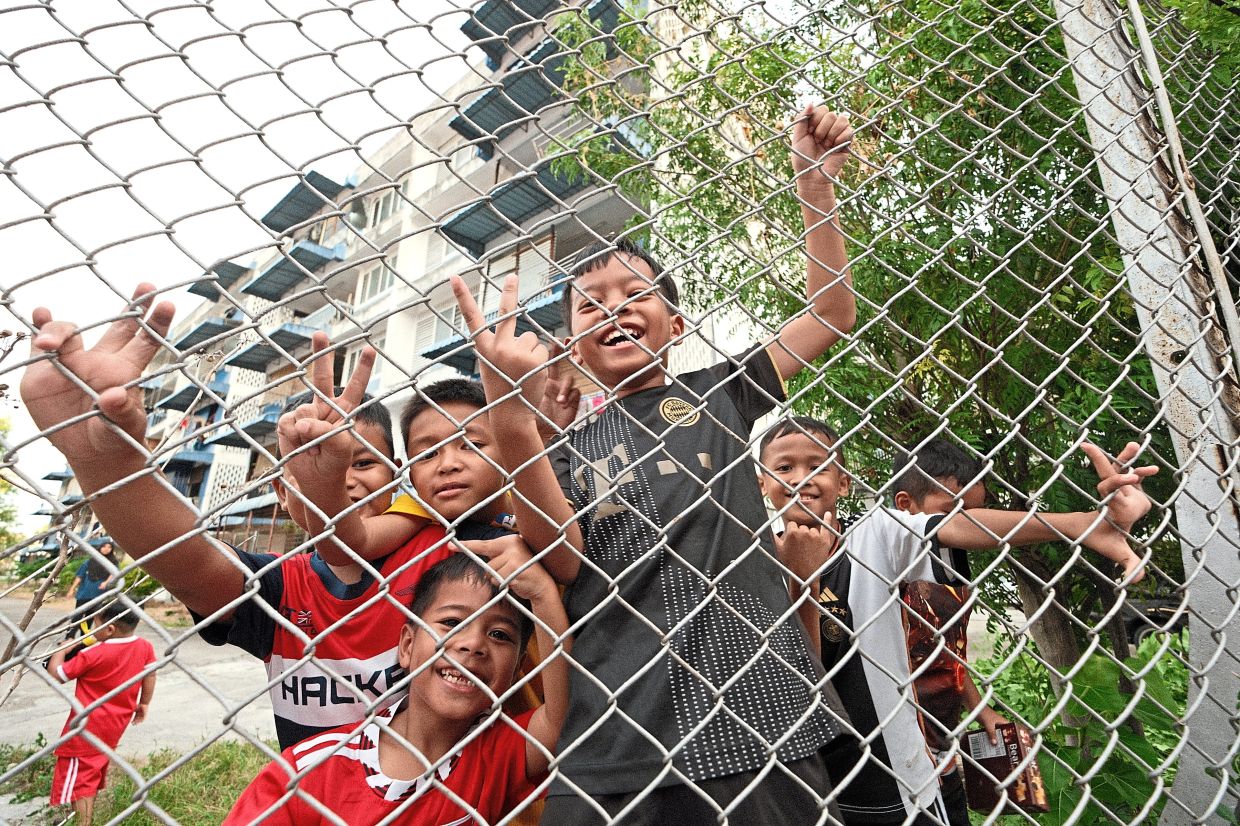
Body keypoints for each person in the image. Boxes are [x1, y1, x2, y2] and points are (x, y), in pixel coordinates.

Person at [452, 103, 857, 823]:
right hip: (614, 734)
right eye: (589, 304)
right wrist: (508, 414)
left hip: (757, 713)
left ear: (677, 325)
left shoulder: (719, 393)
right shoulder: (559, 446)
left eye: (636, 294)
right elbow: (565, 558)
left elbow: (828, 315)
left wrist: (814, 190)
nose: (615, 308)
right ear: (572, 345)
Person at [20, 310, 513, 750]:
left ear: (397, 478)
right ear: (282, 491)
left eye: (363, 461)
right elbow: (181, 558)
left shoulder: (453, 549)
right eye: (311, 463)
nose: (340, 478)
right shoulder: (280, 585)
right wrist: (105, 461)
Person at [757, 416, 1156, 824]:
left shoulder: (874, 537)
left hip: (894, 772)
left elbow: (957, 524)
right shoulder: (747, 561)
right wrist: (802, 581)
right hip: (808, 774)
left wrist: (1081, 523)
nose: (800, 478)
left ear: (843, 483)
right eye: (783, 467)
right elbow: (800, 678)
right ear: (761, 485)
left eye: (817, 465)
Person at [224, 550, 568, 825]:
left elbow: (561, 719)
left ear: (517, 667)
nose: (473, 644)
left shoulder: (496, 754)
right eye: (451, 622)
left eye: (499, 635)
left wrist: (544, 595)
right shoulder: (313, 768)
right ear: (406, 646)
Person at [891, 439, 1009, 826]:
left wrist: (980, 709)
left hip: (939, 749)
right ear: (906, 505)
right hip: (897, 754)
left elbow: (947, 649)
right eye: (955, 512)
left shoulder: (952, 560)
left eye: (975, 512)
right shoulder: (894, 564)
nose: (969, 524)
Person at [47, 602, 156, 826]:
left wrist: (62, 649)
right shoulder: (144, 646)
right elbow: (150, 674)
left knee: (80, 781)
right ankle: (80, 816)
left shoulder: (94, 653)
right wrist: (144, 702)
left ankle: (83, 822)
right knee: (90, 772)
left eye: (94, 624)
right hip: (115, 724)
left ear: (109, 630)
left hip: (85, 729)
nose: (90, 630)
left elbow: (57, 674)